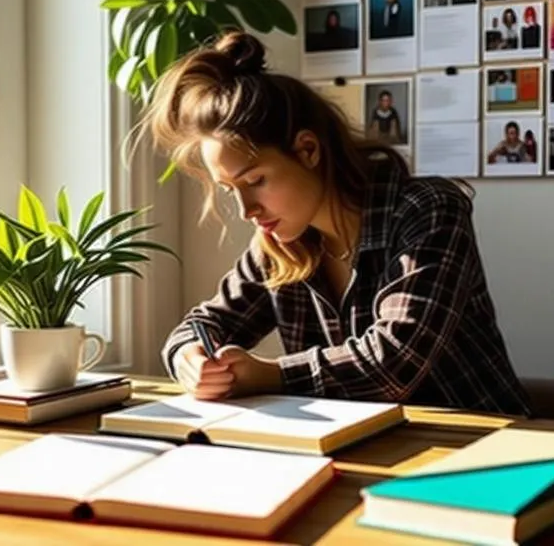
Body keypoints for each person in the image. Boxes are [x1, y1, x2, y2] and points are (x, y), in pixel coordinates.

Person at [141, 31, 533, 417]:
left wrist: (272, 374)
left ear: (308, 150)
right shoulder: (276, 242)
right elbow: (205, 323)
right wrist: (190, 359)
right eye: (230, 189)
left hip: (482, 451)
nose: (246, 210)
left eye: (255, 180)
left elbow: (396, 362)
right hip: (360, 451)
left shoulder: (429, 211)